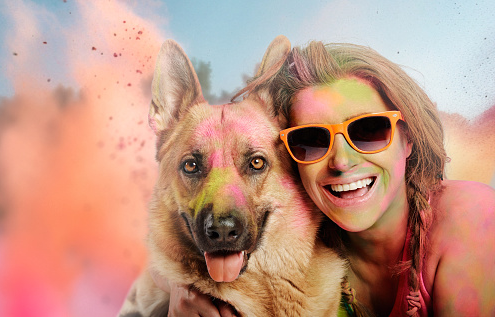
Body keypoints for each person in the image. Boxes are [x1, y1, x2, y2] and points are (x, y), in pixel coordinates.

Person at [154, 41, 495, 316]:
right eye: (314, 139)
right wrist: (180, 285)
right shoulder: (312, 231)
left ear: (407, 138)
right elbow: (160, 251)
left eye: (368, 130)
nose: (343, 161)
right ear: (292, 155)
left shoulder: (472, 219)